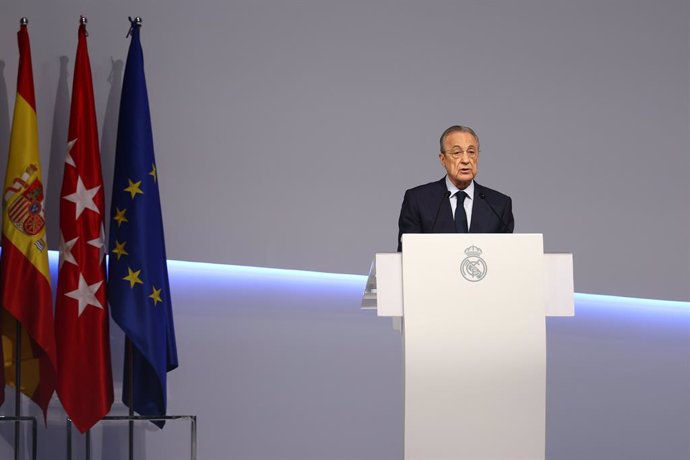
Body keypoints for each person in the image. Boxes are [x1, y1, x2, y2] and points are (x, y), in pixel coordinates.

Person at [397, 125, 514, 251]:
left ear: (477, 157)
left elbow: (506, 258)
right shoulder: (418, 200)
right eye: (457, 153)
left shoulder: (499, 205)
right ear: (443, 159)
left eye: (471, 152)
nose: (465, 160)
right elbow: (407, 256)